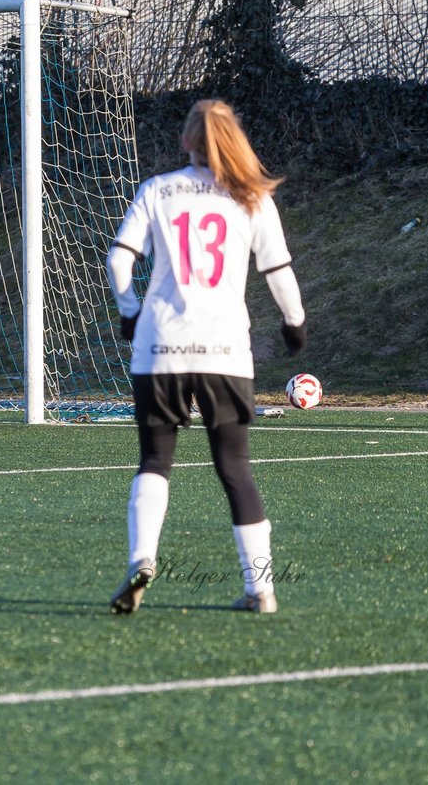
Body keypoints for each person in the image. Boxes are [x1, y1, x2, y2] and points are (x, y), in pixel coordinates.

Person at [104, 99, 307, 615]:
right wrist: (294, 323)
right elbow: (278, 271)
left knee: (154, 460)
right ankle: (261, 588)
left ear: (186, 142)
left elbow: (119, 259)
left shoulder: (158, 189)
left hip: (161, 347)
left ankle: (141, 561)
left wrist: (130, 312)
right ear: (234, 141)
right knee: (235, 467)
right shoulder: (252, 198)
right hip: (225, 349)